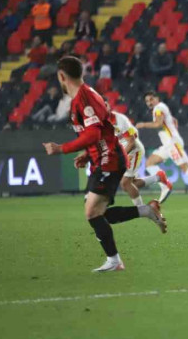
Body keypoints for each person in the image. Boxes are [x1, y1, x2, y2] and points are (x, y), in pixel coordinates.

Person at [42, 57, 166, 272]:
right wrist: (87, 155)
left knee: (92, 212)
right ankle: (146, 212)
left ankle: (115, 260)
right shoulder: (84, 97)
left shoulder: (84, 98)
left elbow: (94, 133)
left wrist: (62, 148)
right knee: (98, 213)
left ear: (62, 77)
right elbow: (103, 133)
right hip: (102, 158)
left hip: (110, 159)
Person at [136, 92, 188, 207]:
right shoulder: (161, 108)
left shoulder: (159, 108)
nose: (149, 103)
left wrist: (143, 125)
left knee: (186, 168)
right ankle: (165, 186)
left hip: (172, 143)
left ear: (157, 99)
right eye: (147, 101)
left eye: (151, 99)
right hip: (167, 144)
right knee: (149, 163)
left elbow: (158, 124)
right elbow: (174, 120)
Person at [108, 105, 173, 206]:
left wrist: (123, 155)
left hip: (133, 150)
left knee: (126, 183)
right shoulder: (101, 123)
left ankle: (141, 209)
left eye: (106, 105)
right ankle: (158, 177)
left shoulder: (119, 119)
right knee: (128, 185)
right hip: (123, 151)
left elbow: (133, 138)